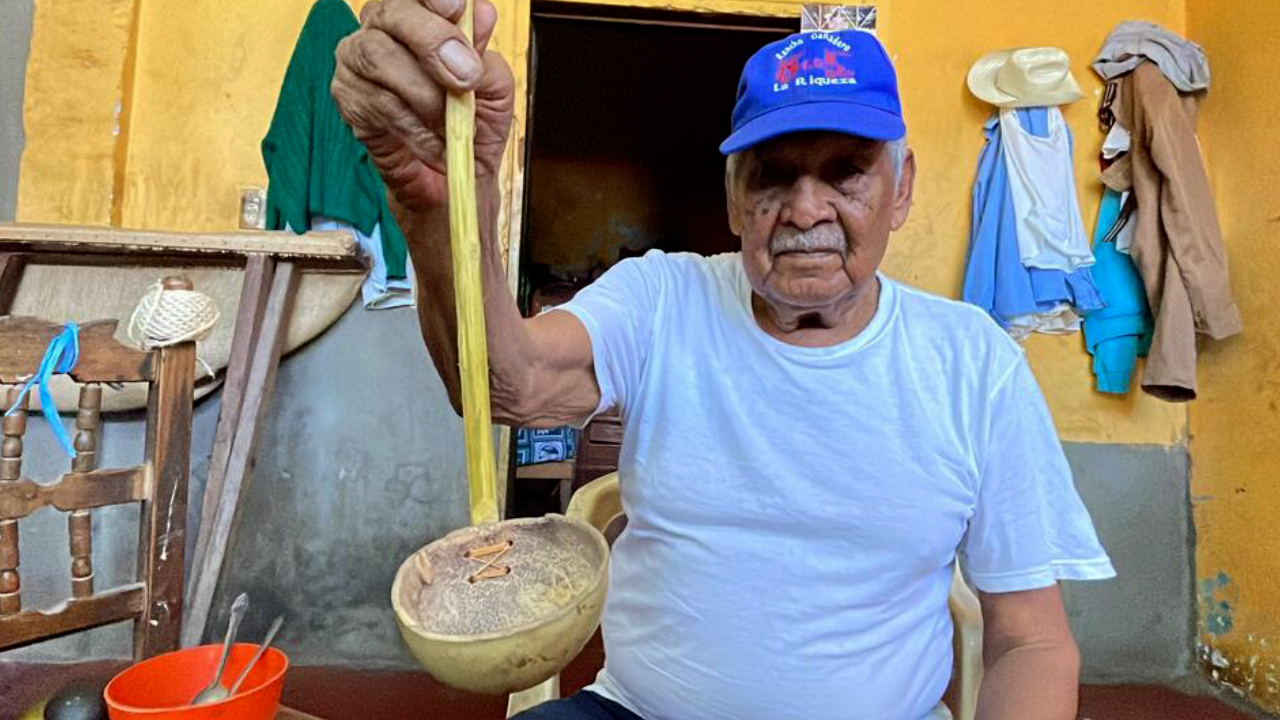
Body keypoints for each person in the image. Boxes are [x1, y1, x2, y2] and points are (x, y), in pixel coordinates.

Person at [330, 3, 1116, 718]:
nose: (807, 210)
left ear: (901, 188)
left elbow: (1032, 642)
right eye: (773, 175)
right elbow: (511, 384)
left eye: (846, 171)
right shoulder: (662, 296)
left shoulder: (971, 362)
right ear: (736, 198)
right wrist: (435, 203)